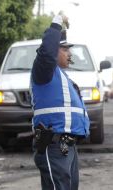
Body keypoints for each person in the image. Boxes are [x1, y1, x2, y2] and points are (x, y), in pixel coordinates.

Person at [30, 14, 90, 190]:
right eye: (65, 49)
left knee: (69, 186)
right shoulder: (43, 70)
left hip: (66, 144)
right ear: (53, 50)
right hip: (53, 144)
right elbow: (47, 53)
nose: (69, 54)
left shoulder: (63, 77)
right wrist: (57, 22)